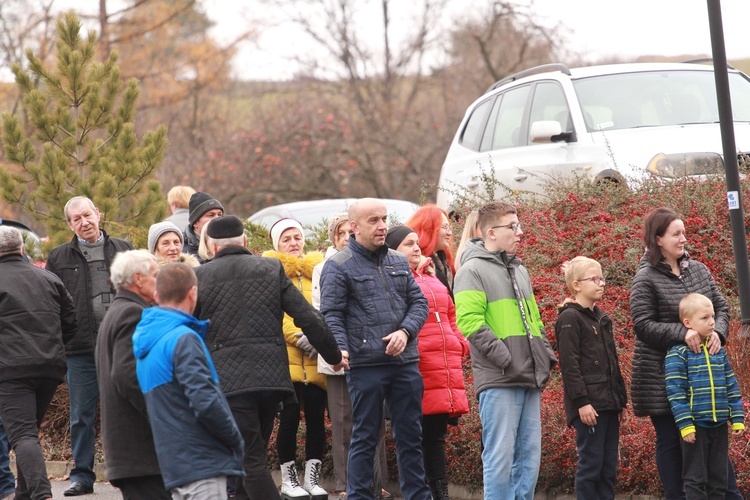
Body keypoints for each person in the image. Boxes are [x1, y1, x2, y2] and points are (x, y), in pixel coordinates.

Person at [193, 215, 347, 500]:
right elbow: (307, 317)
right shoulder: (270, 268)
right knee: (250, 455)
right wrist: (333, 356)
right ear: (245, 242)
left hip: (231, 383)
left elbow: (189, 329)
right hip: (273, 381)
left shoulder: (200, 276)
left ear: (212, 247)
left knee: (249, 459)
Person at [320, 198, 431, 500]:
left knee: (411, 437)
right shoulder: (337, 266)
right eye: (374, 220)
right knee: (365, 438)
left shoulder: (397, 260)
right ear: (354, 227)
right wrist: (340, 350)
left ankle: (417, 496)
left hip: (405, 362)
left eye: (384, 219)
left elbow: (419, 303)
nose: (382, 225)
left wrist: (406, 332)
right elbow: (332, 313)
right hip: (366, 365)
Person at [629, 207, 743, 500]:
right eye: (675, 234)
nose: (683, 239)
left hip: (704, 379)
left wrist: (717, 332)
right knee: (671, 442)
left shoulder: (699, 270)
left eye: (684, 232)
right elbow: (642, 325)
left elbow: (721, 308)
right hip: (661, 378)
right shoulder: (645, 278)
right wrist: (683, 333)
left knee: (713, 445)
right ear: (658, 239)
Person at [453, 201, 557, 500]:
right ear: (491, 232)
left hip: (529, 375)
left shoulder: (518, 269)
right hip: (500, 377)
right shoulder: (471, 270)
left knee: (529, 459)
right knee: (500, 458)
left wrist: (546, 357)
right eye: (513, 226)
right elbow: (469, 322)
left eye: (519, 225)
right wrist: (506, 360)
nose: (519, 232)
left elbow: (534, 320)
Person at [45, 196, 133, 497]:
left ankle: (129, 473)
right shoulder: (59, 257)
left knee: (126, 410)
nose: (84, 223)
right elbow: (52, 303)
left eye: (87, 215)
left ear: (98, 213)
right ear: (69, 225)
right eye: (76, 219)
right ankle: (82, 476)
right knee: (81, 414)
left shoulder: (124, 249)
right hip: (79, 348)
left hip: (120, 345)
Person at [133, 263, 244, 499]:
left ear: (156, 295)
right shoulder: (184, 339)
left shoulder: (146, 345)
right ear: (193, 292)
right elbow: (205, 400)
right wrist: (234, 438)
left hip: (174, 465)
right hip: (203, 462)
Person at [386, 226, 470, 500]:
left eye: (416, 243)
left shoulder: (433, 277)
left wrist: (460, 344)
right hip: (416, 365)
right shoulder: (392, 278)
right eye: (407, 244)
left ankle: (440, 492)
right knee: (414, 436)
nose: (416, 248)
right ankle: (422, 491)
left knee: (436, 436)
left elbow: (451, 315)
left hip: (443, 365)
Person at [312, 212, 391, 500]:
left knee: (375, 420)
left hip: (371, 355)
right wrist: (338, 349)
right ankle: (346, 482)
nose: (347, 237)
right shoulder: (325, 268)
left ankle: (376, 480)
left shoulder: (375, 261)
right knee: (345, 421)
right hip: (341, 356)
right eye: (341, 233)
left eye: (350, 231)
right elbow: (323, 313)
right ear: (334, 237)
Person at [0, 226, 77, 500]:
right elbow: (71, 323)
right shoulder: (49, 279)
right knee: (28, 433)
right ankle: (24, 494)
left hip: (10, 369)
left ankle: (42, 494)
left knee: (22, 434)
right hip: (49, 367)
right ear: (22, 249)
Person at [94, 250, 170, 499]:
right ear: (138, 279)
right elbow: (127, 375)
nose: (160, 280)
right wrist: (160, 415)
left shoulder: (118, 311)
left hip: (132, 452)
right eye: (156, 275)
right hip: (140, 448)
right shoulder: (132, 313)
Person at [262, 218, 328, 500]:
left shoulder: (318, 273)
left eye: (297, 237)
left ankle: (312, 477)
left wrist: (319, 339)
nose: (293, 243)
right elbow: (278, 313)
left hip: (315, 361)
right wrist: (301, 336)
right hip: (286, 360)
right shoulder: (272, 273)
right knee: (288, 421)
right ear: (277, 244)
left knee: (316, 421)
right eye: (286, 238)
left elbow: (325, 307)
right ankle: (288, 478)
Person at [556, 256, 627, 500]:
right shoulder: (569, 319)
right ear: (576, 285)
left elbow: (612, 363)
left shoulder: (601, 317)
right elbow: (569, 365)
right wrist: (582, 402)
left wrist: (620, 400)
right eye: (594, 279)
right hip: (589, 406)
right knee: (591, 466)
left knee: (608, 468)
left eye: (602, 278)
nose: (601, 283)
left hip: (608, 404)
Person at [665, 293, 745, 500]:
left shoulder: (717, 350)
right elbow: (675, 391)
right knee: (695, 479)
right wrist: (685, 425)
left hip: (719, 424)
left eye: (712, 316)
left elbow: (731, 385)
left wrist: (737, 418)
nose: (712, 322)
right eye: (705, 318)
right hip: (696, 426)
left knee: (719, 478)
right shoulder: (678, 353)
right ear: (687, 323)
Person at [406, 205, 456, 294]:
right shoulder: (416, 265)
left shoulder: (445, 263)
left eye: (450, 228)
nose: (450, 233)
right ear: (428, 228)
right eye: (445, 227)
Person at [182, 191, 224, 261]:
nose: (217, 219)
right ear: (195, 222)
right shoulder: (182, 250)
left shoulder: (228, 243)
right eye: (211, 215)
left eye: (220, 214)